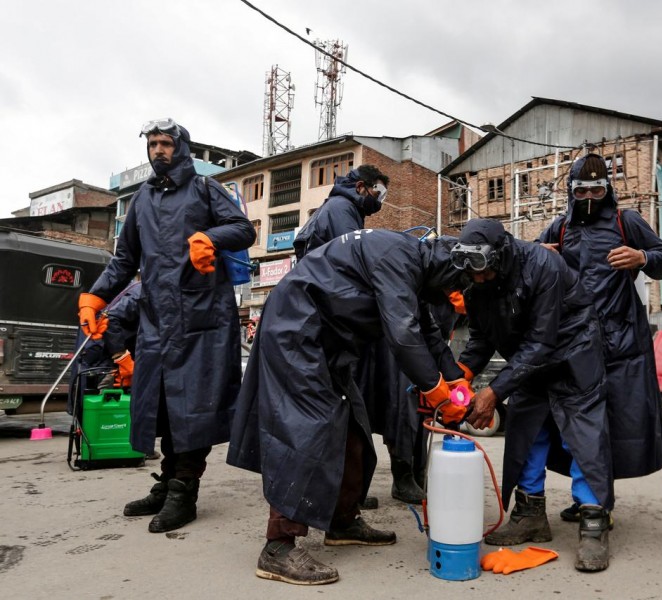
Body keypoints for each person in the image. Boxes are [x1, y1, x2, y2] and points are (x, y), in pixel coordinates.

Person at [227, 229, 469, 586]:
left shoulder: (412, 267)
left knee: (353, 426)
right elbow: (403, 334)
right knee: (307, 428)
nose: (453, 296)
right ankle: (278, 546)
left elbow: (427, 332)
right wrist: (435, 389)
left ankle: (342, 521)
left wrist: (456, 378)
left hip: (328, 341)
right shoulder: (397, 257)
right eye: (455, 286)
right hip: (297, 329)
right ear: (445, 271)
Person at [78, 118, 255, 533]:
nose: (158, 150)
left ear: (181, 147)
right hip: (156, 321)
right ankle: (167, 485)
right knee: (161, 408)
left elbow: (244, 229)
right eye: (153, 144)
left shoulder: (207, 189)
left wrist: (210, 238)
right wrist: (95, 296)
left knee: (195, 408)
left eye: (165, 143)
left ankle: (183, 493)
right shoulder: (141, 199)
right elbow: (125, 261)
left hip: (203, 320)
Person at [453, 219, 614, 572]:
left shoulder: (544, 265)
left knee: (583, 438)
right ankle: (530, 515)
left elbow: (542, 340)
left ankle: (593, 523)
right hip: (527, 361)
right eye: (472, 275)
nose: (478, 280)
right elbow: (481, 339)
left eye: (483, 272)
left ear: (500, 255)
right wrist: (459, 380)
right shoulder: (476, 285)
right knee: (526, 433)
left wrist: (494, 391)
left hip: (573, 353)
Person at [538, 153, 662, 521]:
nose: (589, 198)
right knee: (574, 426)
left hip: (622, 342)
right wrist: (538, 253)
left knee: (611, 424)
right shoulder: (559, 227)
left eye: (598, 189)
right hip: (571, 339)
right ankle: (585, 498)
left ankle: (597, 504)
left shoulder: (625, 219)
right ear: (571, 191)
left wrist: (642, 256)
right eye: (581, 191)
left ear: (608, 189)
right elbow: (529, 264)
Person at [293, 165, 426, 505]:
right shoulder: (341, 210)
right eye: (379, 194)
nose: (381, 202)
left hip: (337, 323)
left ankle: (349, 489)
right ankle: (387, 480)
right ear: (363, 187)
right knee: (393, 396)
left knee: (356, 404)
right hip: (342, 324)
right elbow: (356, 267)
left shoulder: (337, 211)